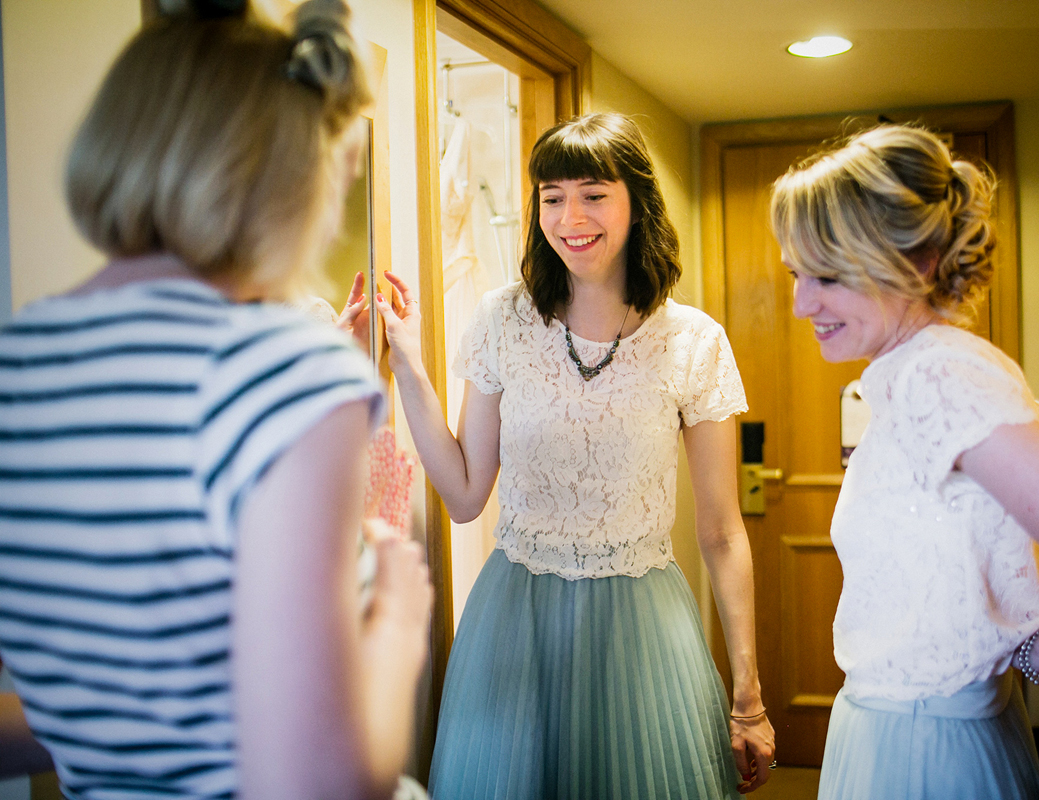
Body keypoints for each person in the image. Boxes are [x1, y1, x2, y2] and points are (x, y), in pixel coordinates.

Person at [0, 2, 431, 799]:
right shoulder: (290, 373)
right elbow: (319, 787)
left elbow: (104, 695)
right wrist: (398, 618)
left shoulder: (20, 362)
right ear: (295, 183)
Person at [377, 112, 775, 798]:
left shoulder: (693, 342)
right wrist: (409, 364)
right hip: (515, 619)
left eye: (593, 194)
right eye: (551, 196)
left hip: (643, 628)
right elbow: (467, 495)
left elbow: (721, 530)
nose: (570, 217)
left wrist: (749, 694)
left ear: (637, 201)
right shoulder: (505, 319)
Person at [769, 125, 1039, 799]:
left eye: (828, 275)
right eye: (797, 272)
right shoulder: (908, 372)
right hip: (902, 726)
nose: (803, 302)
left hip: (926, 747)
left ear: (917, 261)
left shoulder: (940, 375)